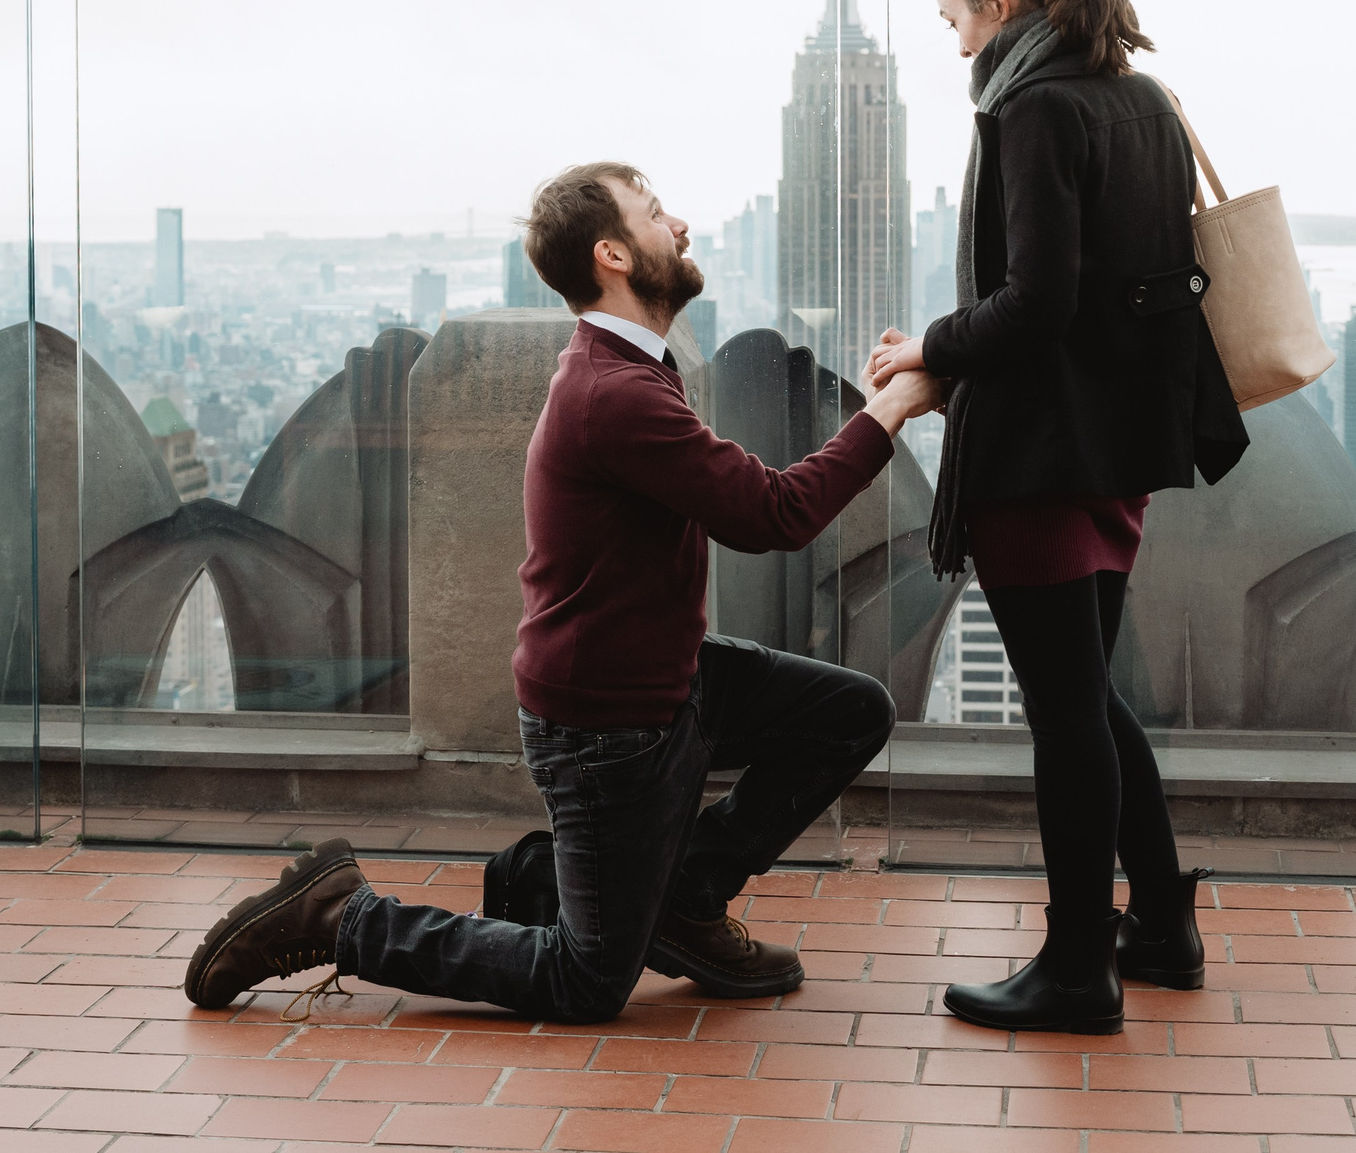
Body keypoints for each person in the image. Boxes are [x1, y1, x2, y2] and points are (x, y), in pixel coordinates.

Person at [185, 161, 943, 1023]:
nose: (680, 227)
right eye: (656, 214)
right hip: (604, 729)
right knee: (585, 981)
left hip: (669, 681)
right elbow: (774, 511)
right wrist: (892, 407)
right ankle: (342, 916)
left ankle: (682, 899)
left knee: (850, 712)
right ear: (612, 254)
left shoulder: (625, 366)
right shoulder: (615, 393)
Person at [865, 0, 1251, 1035]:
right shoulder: (1143, 101)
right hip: (1123, 446)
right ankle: (1162, 925)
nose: (959, 50)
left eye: (956, 23)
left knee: (1066, 713)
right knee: (1086, 696)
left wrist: (930, 347)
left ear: (998, 1)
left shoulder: (1030, 108)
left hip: (1039, 452)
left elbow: (1036, 304)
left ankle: (1080, 965)